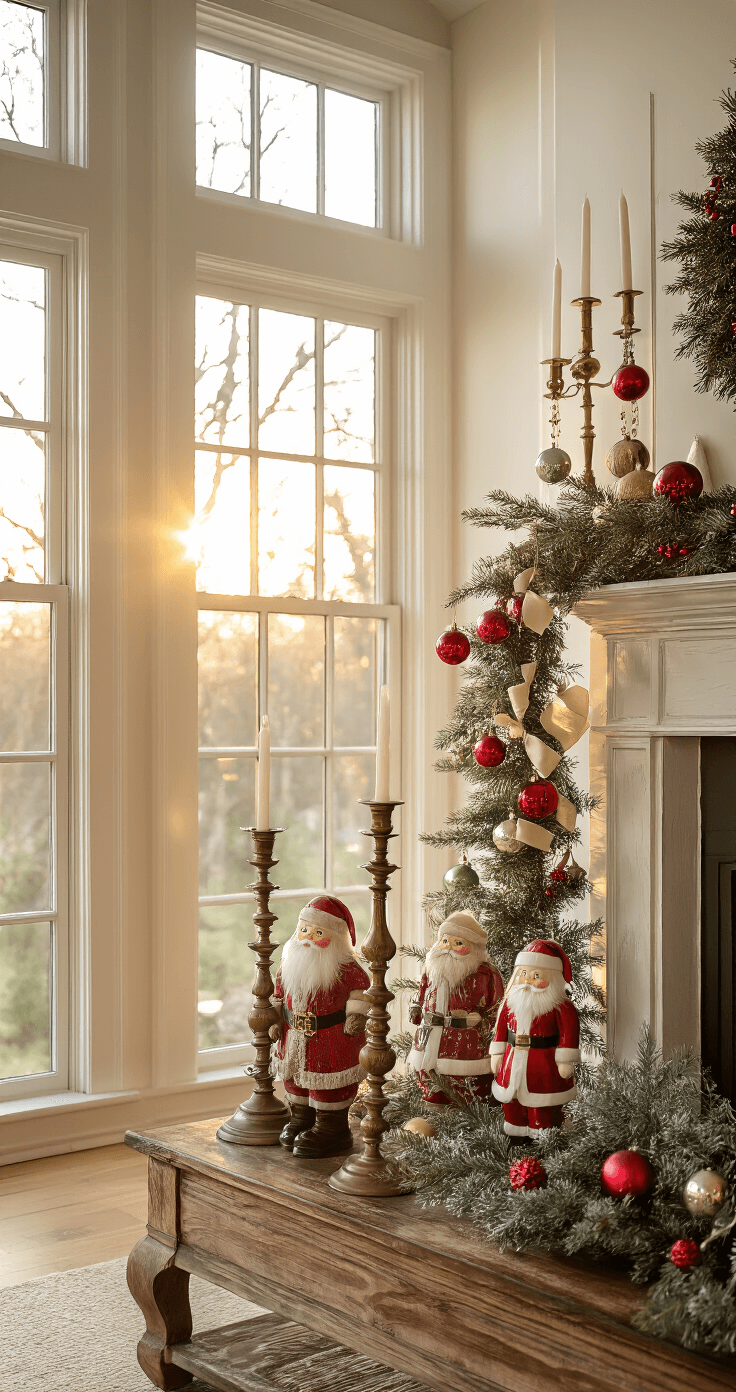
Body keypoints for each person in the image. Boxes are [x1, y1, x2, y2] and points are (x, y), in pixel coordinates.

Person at [270, 895, 370, 1157]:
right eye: (304, 930)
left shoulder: (346, 968)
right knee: (295, 1081)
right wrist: (274, 1018)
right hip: (292, 1035)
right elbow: (278, 994)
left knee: (327, 1085)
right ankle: (301, 1119)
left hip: (330, 1038)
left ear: (335, 938)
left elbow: (359, 994)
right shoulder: (288, 964)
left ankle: (331, 1128)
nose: (308, 938)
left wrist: (356, 1016)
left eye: (318, 932)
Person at [408, 910, 503, 1107]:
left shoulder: (486, 974)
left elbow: (498, 1007)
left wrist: (484, 1024)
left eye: (458, 943)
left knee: (466, 1088)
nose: (448, 948)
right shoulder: (431, 967)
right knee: (431, 1081)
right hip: (430, 1036)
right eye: (445, 941)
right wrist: (416, 1007)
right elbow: (421, 990)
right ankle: (434, 1106)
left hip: (467, 1043)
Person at [490, 938, 580, 1141]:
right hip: (511, 1062)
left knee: (542, 1106)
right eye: (524, 974)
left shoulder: (560, 1007)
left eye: (536, 975)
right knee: (512, 1103)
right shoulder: (510, 1002)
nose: (529, 980)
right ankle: (516, 1135)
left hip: (543, 1065)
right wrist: (497, 1053)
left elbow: (569, 1033)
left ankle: (543, 1138)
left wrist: (564, 1060)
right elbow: (501, 1030)